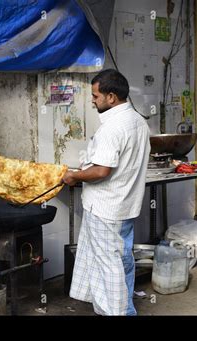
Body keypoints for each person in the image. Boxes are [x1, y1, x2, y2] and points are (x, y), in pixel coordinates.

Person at [62, 69, 150, 315]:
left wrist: (74, 176)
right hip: (125, 207)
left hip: (105, 209)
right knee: (122, 261)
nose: (92, 100)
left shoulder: (113, 127)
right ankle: (126, 309)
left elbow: (102, 171)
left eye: (95, 96)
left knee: (107, 267)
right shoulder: (138, 121)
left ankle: (119, 312)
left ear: (111, 97)